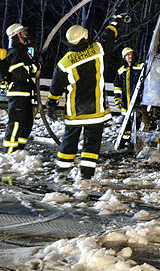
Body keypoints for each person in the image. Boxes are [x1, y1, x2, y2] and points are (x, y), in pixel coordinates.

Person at [46, 16, 123, 180]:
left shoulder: (64, 63)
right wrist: (115, 23)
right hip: (96, 111)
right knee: (92, 143)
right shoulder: (98, 50)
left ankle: (61, 173)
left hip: (75, 112)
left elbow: (56, 86)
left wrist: (51, 104)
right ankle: (86, 176)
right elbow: (108, 36)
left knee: (69, 142)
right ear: (84, 37)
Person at [0, 23, 38, 153]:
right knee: (16, 123)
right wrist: (35, 67)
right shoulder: (16, 52)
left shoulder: (22, 51)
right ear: (16, 35)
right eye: (23, 32)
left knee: (26, 123)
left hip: (24, 93)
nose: (26, 34)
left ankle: (19, 151)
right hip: (18, 93)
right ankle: (9, 152)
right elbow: (20, 72)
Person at [113, 46, 144, 149]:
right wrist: (117, 99)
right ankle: (125, 142)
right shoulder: (121, 71)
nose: (130, 57)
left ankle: (135, 143)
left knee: (137, 123)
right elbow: (117, 86)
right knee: (125, 124)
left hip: (138, 102)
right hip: (125, 102)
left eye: (131, 54)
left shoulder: (141, 67)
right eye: (127, 55)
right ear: (124, 58)